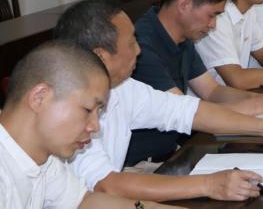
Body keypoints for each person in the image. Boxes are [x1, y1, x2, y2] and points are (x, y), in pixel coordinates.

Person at [54, 0, 263, 203]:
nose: (138, 50)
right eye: (131, 43)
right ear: (101, 56)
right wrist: (209, 185)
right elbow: (106, 185)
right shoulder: (66, 111)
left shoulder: (123, 88)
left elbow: (189, 112)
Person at [126, 0, 263, 167]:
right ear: (184, 4)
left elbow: (212, 91)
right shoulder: (141, 48)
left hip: (174, 151)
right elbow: (188, 114)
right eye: (212, 15)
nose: (213, 25)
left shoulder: (183, 36)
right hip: (143, 164)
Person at [0, 41, 179, 209]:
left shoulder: (45, 158)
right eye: (87, 110)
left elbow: (85, 202)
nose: (95, 127)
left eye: (98, 113)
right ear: (40, 98)